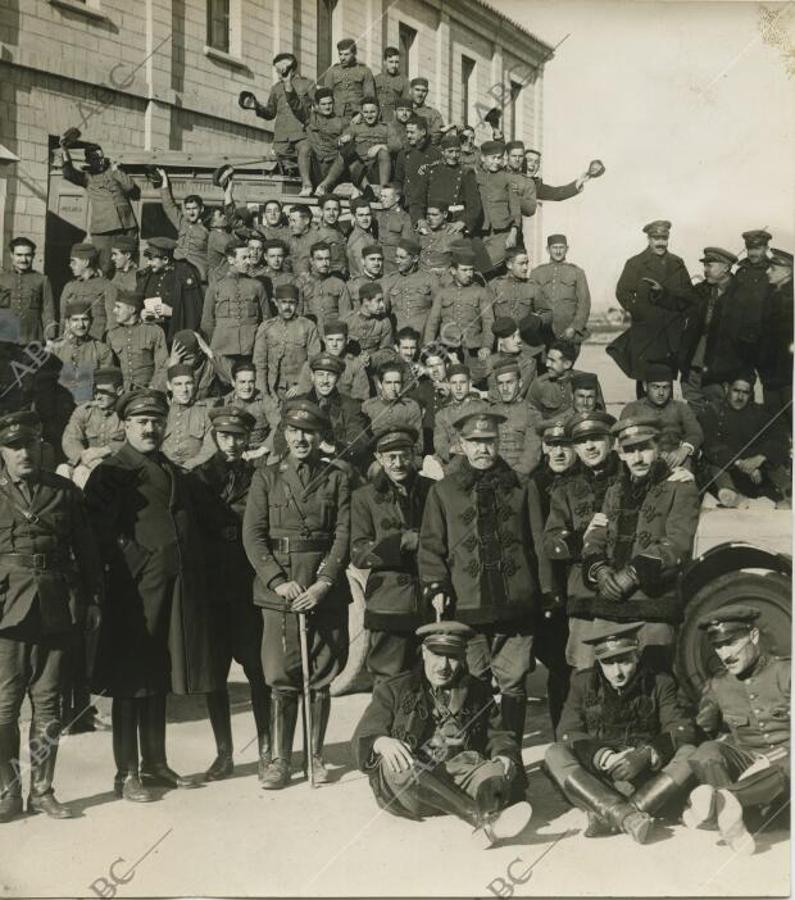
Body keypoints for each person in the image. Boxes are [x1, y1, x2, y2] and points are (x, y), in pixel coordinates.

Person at [84, 390, 216, 802]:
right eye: (141, 422)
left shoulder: (169, 467)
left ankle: (155, 763)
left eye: (156, 421)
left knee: (157, 674)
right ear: (125, 425)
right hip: (133, 593)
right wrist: (140, 562)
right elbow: (97, 532)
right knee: (130, 680)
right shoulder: (111, 471)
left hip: (172, 589)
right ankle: (126, 773)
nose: (150, 429)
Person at [418, 402, 547, 746]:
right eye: (474, 442)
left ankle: (511, 751)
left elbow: (537, 542)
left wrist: (546, 591)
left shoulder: (522, 486)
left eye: (489, 441)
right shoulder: (443, 491)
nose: (482, 449)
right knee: (473, 679)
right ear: (461, 444)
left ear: (499, 441)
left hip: (516, 604)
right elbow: (431, 546)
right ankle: (477, 750)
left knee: (514, 681)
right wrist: (437, 586)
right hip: (468, 604)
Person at [242, 399, 351, 789]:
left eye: (309, 432)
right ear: (284, 434)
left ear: (320, 436)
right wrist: (277, 581)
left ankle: (315, 757)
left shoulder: (337, 477)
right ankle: (280, 760)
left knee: (320, 677)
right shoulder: (266, 477)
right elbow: (253, 536)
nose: (301, 439)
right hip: (282, 591)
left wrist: (324, 583)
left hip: (323, 589)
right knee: (280, 675)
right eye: (294, 431)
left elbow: (343, 534)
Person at [0, 411, 103, 823]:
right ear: (2, 451)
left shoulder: (63, 492)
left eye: (29, 444)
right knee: (4, 707)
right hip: (7, 611)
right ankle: (8, 792)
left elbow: (88, 551)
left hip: (56, 607)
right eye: (13, 446)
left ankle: (42, 790)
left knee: (48, 704)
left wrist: (92, 600)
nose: (23, 453)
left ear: (41, 446)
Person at [351, 621, 532, 845]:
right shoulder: (394, 688)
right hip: (415, 788)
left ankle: (488, 813)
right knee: (398, 764)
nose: (443, 666)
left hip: (460, 775)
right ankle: (478, 818)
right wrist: (381, 742)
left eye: (452, 657)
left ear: (463, 656)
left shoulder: (477, 690)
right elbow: (365, 732)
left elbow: (499, 734)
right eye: (437, 654)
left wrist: (505, 755)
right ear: (424, 652)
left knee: (495, 770)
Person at [545, 622, 697, 844]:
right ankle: (629, 815)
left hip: (647, 779)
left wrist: (646, 754)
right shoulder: (583, 682)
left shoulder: (659, 681)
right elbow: (567, 732)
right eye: (608, 663)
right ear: (599, 662)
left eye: (624, 661)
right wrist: (603, 757)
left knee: (690, 752)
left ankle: (612, 815)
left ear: (637, 655)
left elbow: (681, 728)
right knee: (554, 752)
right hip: (598, 781)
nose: (617, 672)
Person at [578, 417, 700, 670]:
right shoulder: (614, 491)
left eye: (644, 448)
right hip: (609, 604)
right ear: (621, 454)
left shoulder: (680, 488)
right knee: (600, 677)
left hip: (653, 608)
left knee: (655, 678)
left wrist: (633, 573)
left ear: (658, 448)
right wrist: (600, 571)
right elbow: (596, 536)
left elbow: (678, 543)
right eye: (630, 450)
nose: (638, 458)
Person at [193, 407, 272, 782]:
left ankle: (267, 749)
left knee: (258, 670)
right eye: (225, 436)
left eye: (239, 437)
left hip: (247, 586)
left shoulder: (259, 477)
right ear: (214, 437)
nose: (232, 443)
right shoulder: (197, 479)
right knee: (215, 674)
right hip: (211, 589)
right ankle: (223, 754)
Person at [684, 605, 790, 856]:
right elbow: (705, 731)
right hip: (748, 765)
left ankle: (723, 805)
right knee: (707, 751)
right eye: (718, 646)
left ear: (754, 636)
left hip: (787, 772)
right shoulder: (719, 684)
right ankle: (732, 813)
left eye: (731, 643)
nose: (725, 654)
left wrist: (768, 760)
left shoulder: (787, 673)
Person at [351, 425, 434, 681]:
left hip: (430, 598)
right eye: (391, 457)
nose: (398, 463)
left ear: (414, 455)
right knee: (389, 681)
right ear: (379, 458)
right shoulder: (364, 497)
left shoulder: (434, 490)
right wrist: (401, 542)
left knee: (432, 678)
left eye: (404, 455)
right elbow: (358, 553)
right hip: (389, 601)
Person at [543, 411, 621, 667]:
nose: (589, 447)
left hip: (625, 590)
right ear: (575, 448)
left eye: (596, 438)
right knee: (584, 669)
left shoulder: (630, 480)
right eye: (581, 441)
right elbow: (551, 542)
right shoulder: (565, 490)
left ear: (611, 442)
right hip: (583, 593)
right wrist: (581, 538)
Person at [529, 419, 578, 731]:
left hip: (581, 580)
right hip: (549, 586)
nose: (559, 452)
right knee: (558, 661)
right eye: (552, 445)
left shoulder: (584, 479)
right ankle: (562, 730)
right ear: (544, 447)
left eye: (565, 445)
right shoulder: (532, 485)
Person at [610, 221, 696, 389]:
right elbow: (622, 292)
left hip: (671, 333)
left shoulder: (677, 263)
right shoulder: (635, 263)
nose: (660, 243)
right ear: (648, 239)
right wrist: (639, 312)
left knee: (666, 382)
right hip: (646, 333)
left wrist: (680, 314)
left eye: (664, 238)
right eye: (656, 238)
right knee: (645, 381)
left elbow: (688, 294)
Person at [678, 247, 763, 412]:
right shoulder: (701, 290)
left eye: (710, 265)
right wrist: (660, 294)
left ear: (726, 268)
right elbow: (678, 303)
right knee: (695, 412)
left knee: (724, 413)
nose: (705, 270)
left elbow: (751, 337)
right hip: (694, 366)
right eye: (705, 265)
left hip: (724, 372)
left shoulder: (743, 294)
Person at [697, 371, 790, 509]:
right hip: (730, 468)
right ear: (727, 388)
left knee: (774, 458)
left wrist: (760, 458)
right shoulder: (712, 411)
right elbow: (711, 445)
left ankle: (788, 493)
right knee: (714, 465)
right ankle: (731, 494)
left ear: (750, 394)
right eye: (736, 391)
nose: (740, 397)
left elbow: (780, 438)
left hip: (757, 471)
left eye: (745, 393)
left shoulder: (759, 412)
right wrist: (742, 464)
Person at [273, 353, 370, 471]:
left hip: (334, 462)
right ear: (312, 376)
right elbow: (280, 438)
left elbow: (359, 442)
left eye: (330, 375)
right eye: (320, 375)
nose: (325, 381)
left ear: (338, 378)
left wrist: (333, 448)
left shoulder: (350, 406)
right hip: (299, 460)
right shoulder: (296, 403)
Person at [61, 142, 138, 276]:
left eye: (101, 157)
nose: (101, 161)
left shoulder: (114, 171)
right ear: (89, 161)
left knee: (127, 266)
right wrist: (65, 151)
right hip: (104, 231)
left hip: (126, 226)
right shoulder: (87, 177)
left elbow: (130, 187)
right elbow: (68, 173)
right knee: (105, 267)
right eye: (96, 159)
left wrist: (116, 170)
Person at [200, 242, 270, 370]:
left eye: (249, 257)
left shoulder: (257, 286)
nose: (249, 261)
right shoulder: (216, 286)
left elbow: (266, 320)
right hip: (222, 349)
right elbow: (207, 322)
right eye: (244, 258)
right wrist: (218, 340)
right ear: (231, 259)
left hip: (250, 348)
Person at [620, 363, 702, 471]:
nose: (661, 393)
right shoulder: (632, 409)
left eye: (665, 387)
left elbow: (695, 433)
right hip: (644, 460)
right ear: (645, 386)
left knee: (686, 466)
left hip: (675, 460)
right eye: (656, 387)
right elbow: (624, 439)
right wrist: (655, 453)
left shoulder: (680, 408)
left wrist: (684, 450)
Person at [423, 249, 494, 369]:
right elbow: (432, 323)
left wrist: (487, 346)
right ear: (453, 271)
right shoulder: (443, 293)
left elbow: (488, 321)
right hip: (447, 349)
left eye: (471, 270)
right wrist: (429, 346)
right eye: (464, 270)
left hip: (473, 350)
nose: (469, 274)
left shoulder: (481, 292)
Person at [59, 366, 125, 488]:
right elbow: (70, 439)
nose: (98, 397)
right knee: (63, 470)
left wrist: (106, 450)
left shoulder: (127, 414)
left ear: (119, 391)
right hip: (85, 464)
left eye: (104, 392)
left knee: (84, 475)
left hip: (117, 467)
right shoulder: (85, 411)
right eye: (96, 392)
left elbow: (135, 442)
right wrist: (83, 457)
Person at [252, 284, 321, 399]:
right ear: (275, 302)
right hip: (273, 390)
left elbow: (314, 360)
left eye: (292, 303)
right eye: (283, 302)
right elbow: (259, 364)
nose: (287, 307)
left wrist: (302, 386)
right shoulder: (266, 327)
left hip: (299, 390)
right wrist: (263, 394)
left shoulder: (308, 326)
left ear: (297, 304)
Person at [251, 53, 314, 174]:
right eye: (277, 70)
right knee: (277, 169)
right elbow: (270, 113)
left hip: (301, 135)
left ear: (289, 68)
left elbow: (317, 107)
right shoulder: (276, 88)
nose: (278, 73)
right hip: (281, 139)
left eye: (280, 70)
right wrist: (257, 107)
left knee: (304, 165)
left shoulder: (307, 84)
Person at [137, 237, 204, 344]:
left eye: (152, 259)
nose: (148, 263)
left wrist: (172, 312)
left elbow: (194, 312)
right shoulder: (147, 275)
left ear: (165, 260)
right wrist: (141, 313)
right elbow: (137, 300)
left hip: (174, 335)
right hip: (150, 336)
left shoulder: (184, 274)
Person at [529, 234, 591, 348]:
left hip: (569, 333)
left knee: (566, 359)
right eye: (554, 248)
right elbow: (530, 302)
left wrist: (575, 327)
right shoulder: (536, 273)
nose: (558, 251)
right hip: (543, 332)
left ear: (567, 249)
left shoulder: (577, 272)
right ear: (548, 249)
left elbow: (584, 304)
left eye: (561, 247)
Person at [47, 300, 114, 398]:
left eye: (85, 319)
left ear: (91, 321)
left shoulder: (101, 349)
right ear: (67, 322)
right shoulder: (54, 349)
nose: (81, 325)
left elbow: (106, 387)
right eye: (75, 320)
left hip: (90, 403)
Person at [420, 134, 482, 238]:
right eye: (450, 151)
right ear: (442, 152)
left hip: (455, 224)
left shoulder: (466, 173)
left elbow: (474, 204)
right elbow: (418, 200)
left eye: (457, 151)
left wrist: (463, 221)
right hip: (432, 223)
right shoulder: (431, 171)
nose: (454, 155)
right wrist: (420, 220)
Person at [105, 289, 169, 390]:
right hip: (123, 392)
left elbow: (163, 366)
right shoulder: (112, 334)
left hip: (148, 390)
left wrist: (153, 388)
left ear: (132, 310)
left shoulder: (154, 331)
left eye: (118, 307)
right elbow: (110, 368)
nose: (114, 311)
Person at [490, 357, 543, 477]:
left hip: (519, 477)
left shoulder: (532, 413)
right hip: (491, 475)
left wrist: (515, 475)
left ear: (519, 383)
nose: (505, 388)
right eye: (500, 383)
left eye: (509, 382)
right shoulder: (490, 412)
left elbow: (532, 453)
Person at [757, 248, 793, 426]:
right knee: (773, 423)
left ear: (787, 272)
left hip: (786, 374)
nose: (767, 272)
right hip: (770, 373)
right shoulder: (771, 295)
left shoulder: (790, 299)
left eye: (773, 269)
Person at [294, 319, 369, 401]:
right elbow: (304, 397)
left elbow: (360, 398)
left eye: (339, 340)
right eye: (330, 339)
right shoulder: (312, 364)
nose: (334, 344)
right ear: (324, 340)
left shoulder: (355, 365)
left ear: (347, 340)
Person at [362, 360, 424, 457]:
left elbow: (419, 444)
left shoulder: (411, 406)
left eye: (397, 383)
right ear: (379, 384)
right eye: (388, 383)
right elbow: (365, 442)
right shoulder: (368, 407)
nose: (393, 388)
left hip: (405, 456)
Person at [0, 237, 56, 344]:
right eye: (19, 255)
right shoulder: (2, 279)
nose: (23, 259)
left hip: (32, 339)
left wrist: (50, 338)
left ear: (33, 256)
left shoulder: (42, 280)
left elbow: (48, 311)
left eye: (28, 255)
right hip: (4, 339)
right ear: (11, 255)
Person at [161, 364, 217, 470]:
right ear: (169, 386)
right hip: (162, 470)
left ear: (194, 384)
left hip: (195, 470)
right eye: (178, 384)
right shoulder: (161, 411)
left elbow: (210, 447)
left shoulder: (205, 411)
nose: (184, 389)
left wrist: (189, 466)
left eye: (188, 383)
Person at [157, 172, 209, 283]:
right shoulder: (182, 223)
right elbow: (168, 206)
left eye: (194, 208)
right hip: (177, 268)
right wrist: (164, 180)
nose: (191, 212)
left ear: (201, 209)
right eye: (188, 209)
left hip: (197, 272)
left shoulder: (208, 229)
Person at [58, 242, 116, 341]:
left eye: (74, 262)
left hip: (97, 342)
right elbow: (63, 319)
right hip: (73, 343)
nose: (70, 265)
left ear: (86, 262)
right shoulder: (69, 287)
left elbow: (112, 322)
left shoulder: (107, 286)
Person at [222, 362, 280, 458]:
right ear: (233, 382)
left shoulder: (264, 400)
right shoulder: (225, 402)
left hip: (260, 452)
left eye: (251, 382)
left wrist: (261, 451)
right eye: (242, 382)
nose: (247, 387)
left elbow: (280, 426)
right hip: (232, 452)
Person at [381, 238, 437, 337]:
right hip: (398, 337)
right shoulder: (389, 281)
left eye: (402, 258)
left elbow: (438, 312)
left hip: (423, 336)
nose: (397, 261)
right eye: (396, 257)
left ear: (415, 259)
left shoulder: (431, 280)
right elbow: (383, 313)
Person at [395, 116, 442, 226]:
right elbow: (398, 180)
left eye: (412, 132)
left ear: (423, 132)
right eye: (407, 132)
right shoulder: (403, 154)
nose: (408, 136)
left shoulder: (435, 155)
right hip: (407, 205)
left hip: (428, 208)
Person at [432, 363, 477, 471]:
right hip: (452, 460)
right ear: (448, 384)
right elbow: (439, 442)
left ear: (470, 383)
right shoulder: (442, 414)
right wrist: (451, 449)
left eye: (462, 382)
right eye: (454, 383)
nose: (458, 387)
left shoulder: (481, 408)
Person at [322, 38, 376, 123]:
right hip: (336, 116)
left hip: (358, 116)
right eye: (340, 54)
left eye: (346, 54)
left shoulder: (365, 71)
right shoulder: (332, 72)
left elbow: (370, 98)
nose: (342, 58)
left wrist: (361, 114)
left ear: (354, 54)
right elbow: (326, 97)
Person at [486, 318, 538, 401]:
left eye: (519, 335)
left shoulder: (528, 362)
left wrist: (485, 394)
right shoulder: (490, 360)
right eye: (513, 337)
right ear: (501, 341)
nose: (519, 340)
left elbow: (515, 395)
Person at [524, 148, 591, 202]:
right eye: (529, 160)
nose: (533, 164)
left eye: (536, 162)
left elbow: (556, 193)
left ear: (538, 167)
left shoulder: (535, 186)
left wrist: (579, 182)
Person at [344, 282, 394, 355]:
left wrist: (371, 359)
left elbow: (387, 350)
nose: (382, 305)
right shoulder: (347, 320)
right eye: (378, 300)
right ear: (366, 301)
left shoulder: (384, 322)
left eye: (382, 300)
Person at [374, 184, 414, 274]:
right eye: (381, 196)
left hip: (393, 264)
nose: (381, 199)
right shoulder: (379, 214)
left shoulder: (404, 218)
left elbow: (406, 245)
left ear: (396, 198)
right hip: (378, 261)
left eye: (385, 196)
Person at [734, 229, 772, 305]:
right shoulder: (741, 271)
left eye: (757, 249)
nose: (753, 253)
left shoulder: (772, 270)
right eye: (750, 249)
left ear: (766, 248)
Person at [374, 46, 410, 122]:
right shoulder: (376, 79)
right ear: (384, 62)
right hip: (376, 118)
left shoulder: (404, 81)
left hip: (393, 120)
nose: (394, 65)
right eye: (391, 62)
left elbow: (405, 104)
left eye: (396, 62)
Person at [346, 200, 378, 278]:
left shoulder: (366, 233)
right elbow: (365, 272)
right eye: (361, 215)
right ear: (354, 217)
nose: (365, 218)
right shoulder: (359, 241)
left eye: (368, 215)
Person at [408, 77, 445, 145]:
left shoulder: (433, 113)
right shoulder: (402, 111)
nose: (420, 94)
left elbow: (437, 136)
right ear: (410, 91)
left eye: (423, 91)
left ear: (427, 93)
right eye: (417, 90)